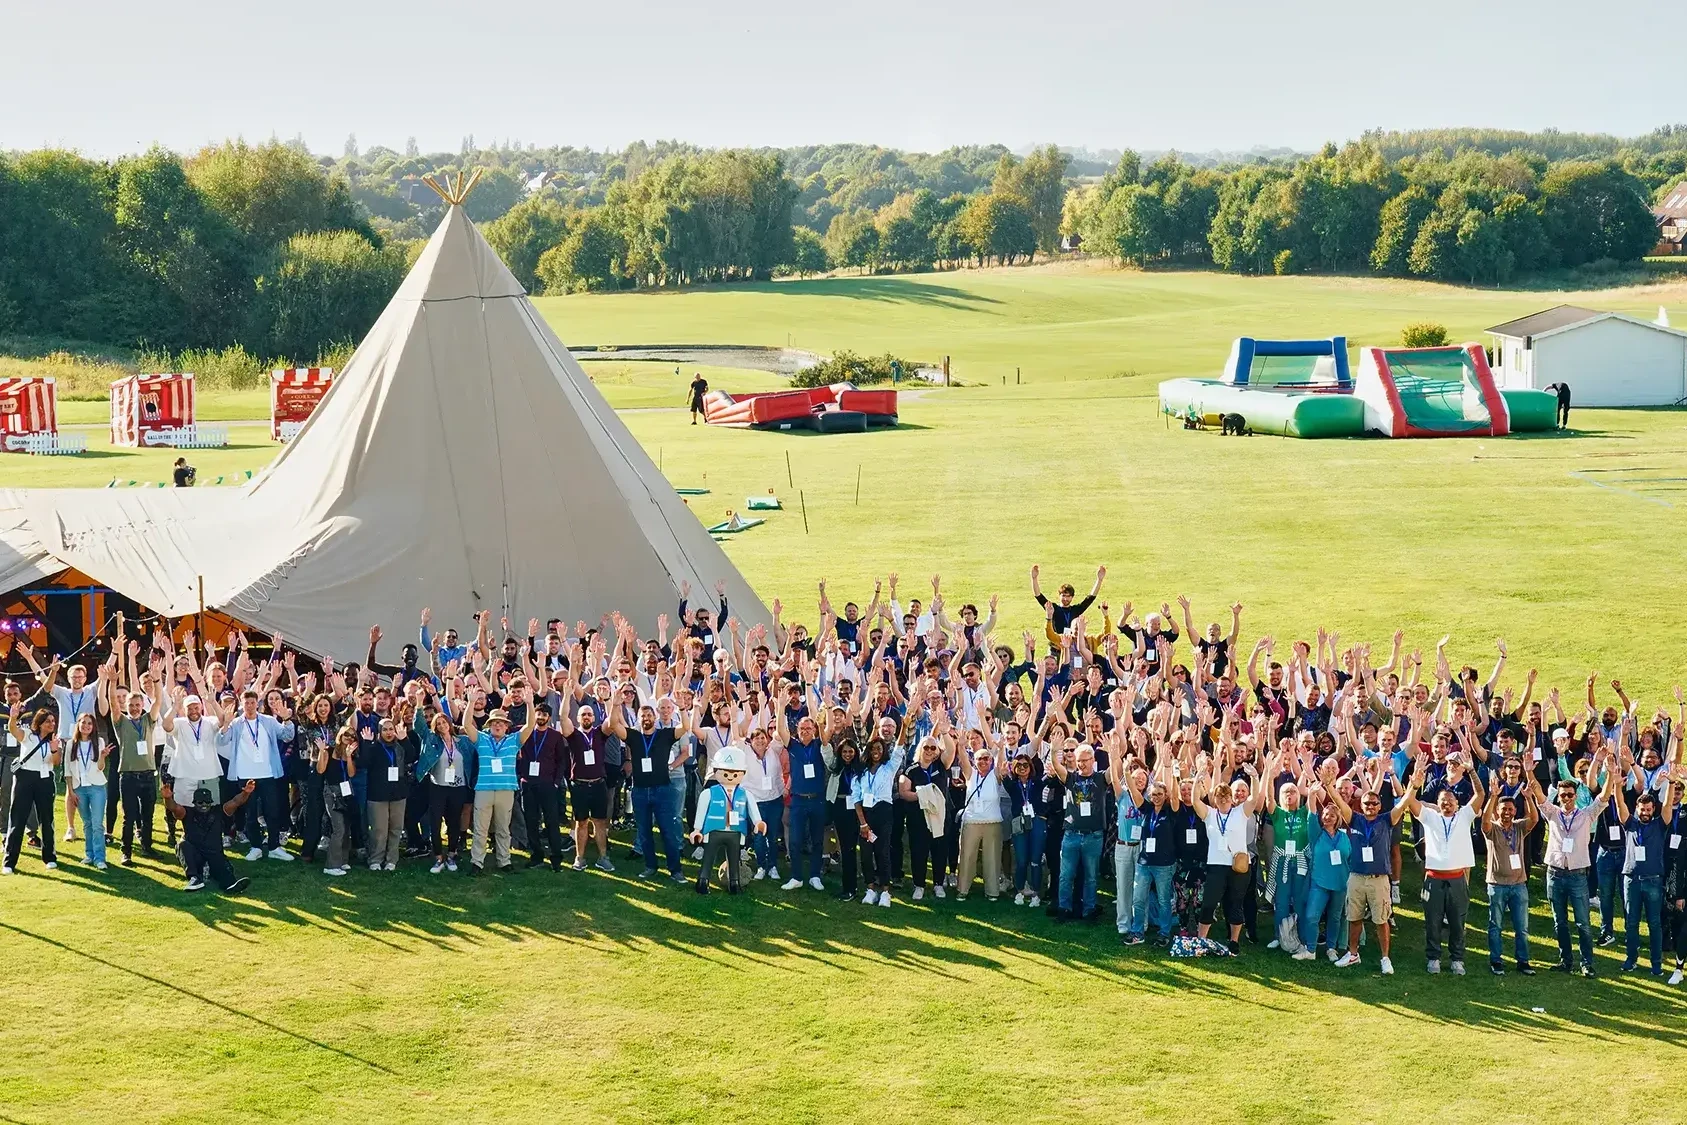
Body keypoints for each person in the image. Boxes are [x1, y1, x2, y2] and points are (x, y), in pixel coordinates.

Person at [1534, 751, 1616, 977]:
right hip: (1555, 873)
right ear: (1558, 797)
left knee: (1583, 924)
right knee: (1560, 923)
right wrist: (1530, 772)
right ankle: (1565, 960)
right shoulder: (1552, 813)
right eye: (1563, 796)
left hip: (1578, 875)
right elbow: (1539, 795)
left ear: (1576, 794)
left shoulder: (1587, 815)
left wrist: (1609, 774)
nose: (1567, 799)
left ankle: (1586, 963)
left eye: (1570, 795)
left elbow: (1604, 798)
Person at [1402, 752, 1485, 975]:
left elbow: (1480, 794)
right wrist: (1415, 782)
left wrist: (1471, 770)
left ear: (1458, 804)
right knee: (1433, 921)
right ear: (1436, 805)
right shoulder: (1430, 817)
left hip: (1457, 878)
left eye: (1450, 801)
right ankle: (1433, 958)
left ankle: (1457, 959)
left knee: (1458, 922)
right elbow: (1410, 802)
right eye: (1442, 802)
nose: (1446, 804)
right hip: (1434, 878)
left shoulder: (1465, 815)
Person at [1328, 757, 1408, 974]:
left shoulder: (1385, 819)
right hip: (1356, 877)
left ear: (1379, 805)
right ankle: (1353, 954)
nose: (1371, 806)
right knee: (1354, 918)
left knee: (1381, 920)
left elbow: (1403, 803)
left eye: (1374, 803)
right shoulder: (1354, 819)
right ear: (1361, 805)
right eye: (1367, 803)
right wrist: (1328, 785)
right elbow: (1339, 802)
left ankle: (1385, 958)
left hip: (1379, 879)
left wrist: (1414, 786)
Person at [1189, 742, 1264, 954]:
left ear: (1231, 798)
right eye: (1219, 796)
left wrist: (1255, 777)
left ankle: (1234, 941)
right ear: (1215, 798)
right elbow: (1195, 800)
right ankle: (1201, 939)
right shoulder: (1210, 814)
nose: (1223, 799)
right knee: (1209, 902)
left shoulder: (1241, 812)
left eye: (1226, 796)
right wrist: (1197, 778)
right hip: (1216, 865)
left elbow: (1254, 797)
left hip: (1238, 865)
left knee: (1235, 903)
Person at [1614, 771, 1677, 975]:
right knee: (1631, 923)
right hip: (1631, 879)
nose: (1646, 812)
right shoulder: (1630, 824)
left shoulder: (1660, 825)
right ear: (1637, 809)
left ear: (1653, 809)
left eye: (1649, 809)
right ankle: (1631, 959)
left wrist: (1672, 782)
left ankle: (1656, 964)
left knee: (1654, 924)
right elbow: (1619, 805)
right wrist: (1616, 785)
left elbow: (1667, 806)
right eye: (1642, 809)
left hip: (1653, 881)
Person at [462, 705, 537, 874]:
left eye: (501, 723)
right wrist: (471, 702)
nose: (497, 725)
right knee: (480, 829)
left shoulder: (514, 740)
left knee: (503, 828)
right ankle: (477, 862)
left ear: (506, 726)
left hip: (506, 789)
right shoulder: (481, 739)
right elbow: (467, 725)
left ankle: (504, 860)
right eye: (494, 722)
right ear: (489, 725)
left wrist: (530, 703)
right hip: (484, 790)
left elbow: (530, 725)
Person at [1482, 780, 1539, 975]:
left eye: (1510, 809)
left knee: (1522, 928)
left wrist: (1529, 798)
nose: (1507, 812)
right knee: (1495, 926)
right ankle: (1496, 960)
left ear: (1515, 811)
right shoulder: (1493, 829)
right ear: (1498, 811)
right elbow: (1485, 820)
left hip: (1519, 885)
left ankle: (1523, 961)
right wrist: (1493, 797)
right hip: (1497, 884)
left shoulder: (1519, 827)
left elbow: (1534, 819)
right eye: (1503, 809)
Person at [627, 702, 687, 883]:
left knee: (668, 831)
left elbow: (685, 727)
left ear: (655, 717)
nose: (646, 718)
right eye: (642, 716)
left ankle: (675, 870)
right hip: (639, 791)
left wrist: (683, 708)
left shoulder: (664, 735)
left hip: (663, 789)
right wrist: (613, 704)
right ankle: (650, 866)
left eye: (649, 715)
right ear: (638, 720)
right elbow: (614, 725)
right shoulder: (634, 736)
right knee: (644, 832)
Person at [691, 745, 763, 893]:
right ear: (716, 771)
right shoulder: (709, 793)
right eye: (726, 772)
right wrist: (697, 829)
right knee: (708, 857)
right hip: (713, 830)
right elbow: (701, 811)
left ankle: (734, 883)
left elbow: (753, 810)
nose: (730, 776)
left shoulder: (745, 794)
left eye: (735, 773)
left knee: (734, 859)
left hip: (736, 831)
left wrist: (758, 822)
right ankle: (703, 881)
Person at [164, 775, 252, 895]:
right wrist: (168, 798)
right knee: (182, 845)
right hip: (195, 854)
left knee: (223, 870)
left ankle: (230, 885)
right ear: (194, 803)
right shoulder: (187, 812)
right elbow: (174, 808)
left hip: (214, 853)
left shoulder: (219, 811)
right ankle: (194, 879)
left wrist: (246, 793)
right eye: (200, 802)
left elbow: (236, 802)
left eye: (207, 802)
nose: (204, 805)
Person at [2, 703, 60, 874]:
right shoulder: (28, 735)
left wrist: (55, 749)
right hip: (25, 778)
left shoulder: (54, 740)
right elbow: (14, 730)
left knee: (46, 820)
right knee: (18, 819)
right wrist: (13, 717)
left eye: (53, 721)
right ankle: (9, 862)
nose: (51, 724)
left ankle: (49, 857)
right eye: (48, 721)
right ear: (40, 723)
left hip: (45, 780)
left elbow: (56, 762)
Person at [64, 711, 111, 869]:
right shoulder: (71, 744)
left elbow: (100, 768)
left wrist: (103, 756)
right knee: (87, 823)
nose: (86, 726)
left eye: (89, 723)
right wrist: (71, 791)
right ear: (78, 724)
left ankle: (100, 858)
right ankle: (89, 854)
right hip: (79, 788)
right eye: (83, 722)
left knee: (97, 824)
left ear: (93, 727)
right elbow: (67, 770)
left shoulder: (99, 741)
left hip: (96, 787)